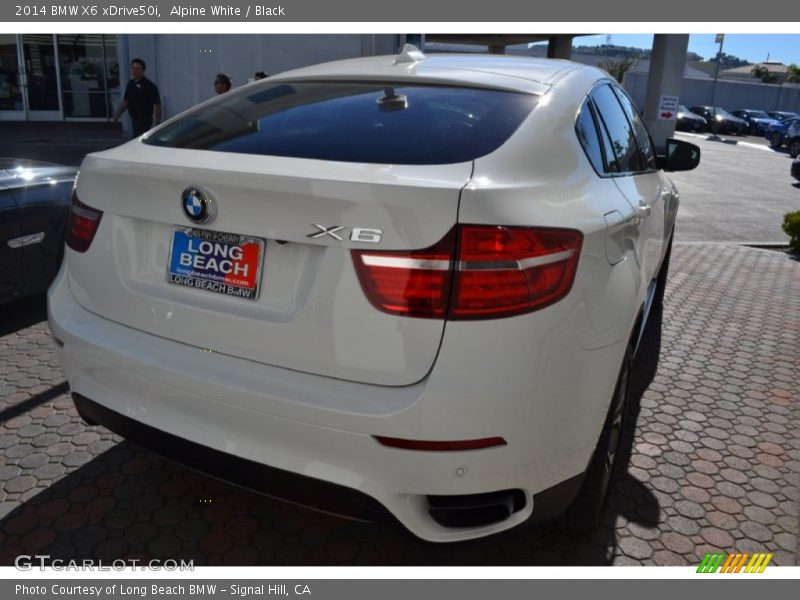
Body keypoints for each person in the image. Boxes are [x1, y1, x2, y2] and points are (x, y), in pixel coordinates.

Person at [113, 58, 161, 137]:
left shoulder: (149, 86)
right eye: (133, 68)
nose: (134, 71)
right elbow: (126, 101)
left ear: (143, 70)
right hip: (134, 118)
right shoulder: (130, 84)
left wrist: (157, 123)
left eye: (137, 69)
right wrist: (118, 113)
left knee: (139, 140)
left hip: (144, 120)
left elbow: (157, 104)